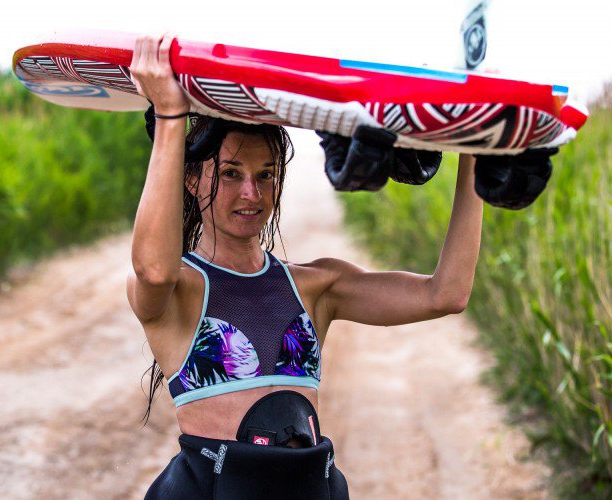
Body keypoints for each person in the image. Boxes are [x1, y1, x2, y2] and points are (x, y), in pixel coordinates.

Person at [126, 33, 484, 500]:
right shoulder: (180, 291)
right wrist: (170, 117)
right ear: (192, 179)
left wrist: (477, 153)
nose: (251, 193)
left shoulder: (316, 286)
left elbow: (446, 294)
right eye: (231, 173)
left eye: (266, 174)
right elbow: (153, 270)